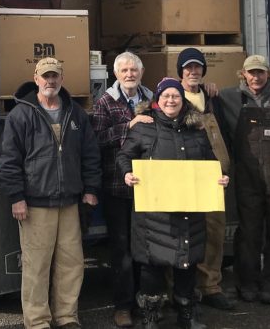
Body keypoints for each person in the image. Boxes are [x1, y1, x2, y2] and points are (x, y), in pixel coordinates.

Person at [0, 57, 103, 329]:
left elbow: (90, 155)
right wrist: (17, 197)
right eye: (45, 76)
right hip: (35, 205)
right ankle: (37, 321)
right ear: (36, 79)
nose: (50, 81)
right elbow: (9, 160)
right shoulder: (21, 114)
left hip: (69, 202)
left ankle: (67, 317)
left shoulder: (75, 113)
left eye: (55, 76)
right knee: (36, 267)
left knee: (72, 263)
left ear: (62, 79)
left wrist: (90, 190)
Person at [118, 77, 230, 329]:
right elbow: (124, 156)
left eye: (176, 96)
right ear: (157, 100)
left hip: (189, 210)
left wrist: (219, 178)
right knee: (152, 265)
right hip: (154, 213)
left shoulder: (197, 129)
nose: (171, 100)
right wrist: (127, 173)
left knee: (186, 263)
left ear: (183, 100)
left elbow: (211, 162)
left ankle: (187, 314)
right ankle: (150, 315)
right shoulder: (144, 127)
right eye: (166, 96)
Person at [216, 55, 270, 304]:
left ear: (268, 74)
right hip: (247, 178)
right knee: (248, 233)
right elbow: (199, 103)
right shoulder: (227, 97)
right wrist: (207, 87)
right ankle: (246, 283)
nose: (256, 77)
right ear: (243, 74)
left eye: (260, 73)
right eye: (251, 73)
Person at [90, 51, 154, 328]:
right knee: (121, 248)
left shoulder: (153, 99)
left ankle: (145, 301)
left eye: (134, 70)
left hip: (149, 185)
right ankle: (123, 306)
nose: (130, 74)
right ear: (116, 74)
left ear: (141, 73)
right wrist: (129, 126)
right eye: (124, 70)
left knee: (146, 247)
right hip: (117, 185)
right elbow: (97, 139)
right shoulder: (105, 101)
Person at [176, 48, 235, 311]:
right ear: (180, 72)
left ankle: (211, 285)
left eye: (197, 67)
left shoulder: (214, 99)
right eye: (188, 68)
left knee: (214, 232)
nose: (193, 72)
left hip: (213, 178)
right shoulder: (172, 97)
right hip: (184, 178)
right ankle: (180, 289)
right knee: (182, 233)